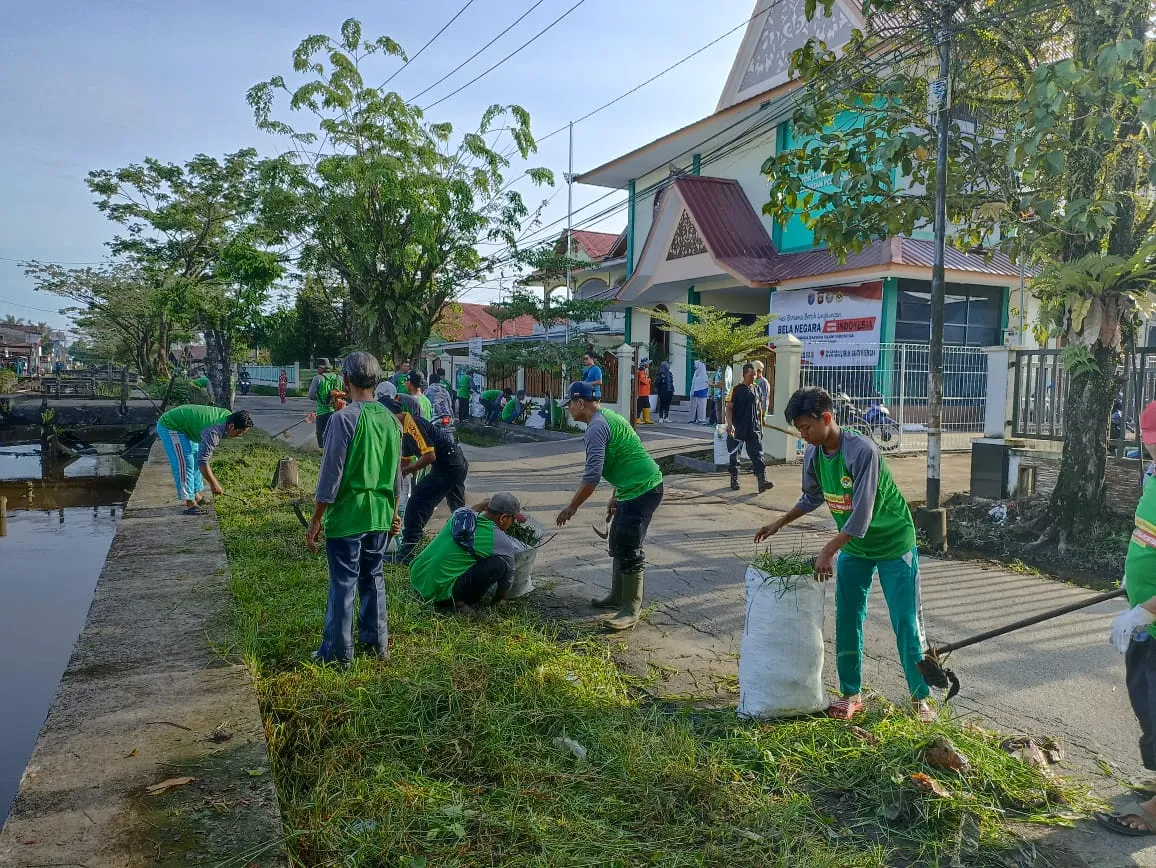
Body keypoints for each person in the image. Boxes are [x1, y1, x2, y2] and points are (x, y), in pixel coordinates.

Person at [754, 387, 933, 722]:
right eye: (799, 429)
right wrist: (779, 522)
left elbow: (861, 515)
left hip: (894, 543)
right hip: (855, 547)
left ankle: (920, 699)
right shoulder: (814, 454)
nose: (802, 435)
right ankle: (851, 693)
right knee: (848, 617)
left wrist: (827, 551)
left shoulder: (862, 451)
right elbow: (811, 498)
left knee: (906, 623)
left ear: (826, 418)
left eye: (806, 427)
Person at [305, 352, 402, 666]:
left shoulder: (342, 418)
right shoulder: (390, 420)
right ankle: (377, 646)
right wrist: (394, 514)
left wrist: (316, 519)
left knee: (343, 583)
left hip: (349, 516)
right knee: (373, 578)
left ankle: (337, 655)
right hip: (379, 515)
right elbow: (396, 477)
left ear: (345, 380)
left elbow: (330, 477)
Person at [556, 382, 664, 631]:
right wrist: (616, 494)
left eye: (570, 405)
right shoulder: (609, 416)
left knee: (629, 545)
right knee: (617, 541)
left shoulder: (596, 427)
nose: (568, 410)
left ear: (580, 403)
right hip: (633, 487)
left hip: (644, 488)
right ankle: (617, 597)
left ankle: (630, 609)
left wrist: (571, 508)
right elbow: (628, 451)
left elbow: (592, 476)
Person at [1098, 403, 1156, 835]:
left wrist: (1146, 608)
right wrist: (1133, 581)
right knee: (1147, 704)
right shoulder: (1154, 477)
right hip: (1146, 624)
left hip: (1151, 618)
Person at [381, 395, 470, 563]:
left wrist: (409, 469)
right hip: (455, 463)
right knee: (458, 510)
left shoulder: (411, 423)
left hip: (449, 465)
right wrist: (396, 477)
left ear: (389, 414)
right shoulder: (401, 431)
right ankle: (465, 547)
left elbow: (429, 456)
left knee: (418, 501)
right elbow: (404, 463)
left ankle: (408, 553)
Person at [409, 493, 523, 613]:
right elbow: (507, 582)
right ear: (503, 518)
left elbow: (470, 510)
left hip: (417, 577)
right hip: (438, 592)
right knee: (500, 564)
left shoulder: (460, 515)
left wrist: (481, 506)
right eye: (513, 519)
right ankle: (455, 604)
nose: (512, 524)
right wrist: (497, 601)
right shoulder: (500, 540)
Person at [156, 404, 253, 514]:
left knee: (195, 458)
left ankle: (196, 496)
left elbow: (200, 459)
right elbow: (203, 461)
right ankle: (190, 502)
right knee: (184, 462)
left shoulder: (229, 417)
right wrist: (213, 484)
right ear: (231, 426)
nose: (239, 435)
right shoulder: (213, 431)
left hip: (186, 427)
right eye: (239, 432)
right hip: (171, 426)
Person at [726, 363, 772, 494]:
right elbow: (729, 408)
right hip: (738, 427)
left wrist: (761, 427)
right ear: (744, 374)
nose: (753, 378)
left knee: (757, 455)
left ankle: (762, 481)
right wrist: (730, 424)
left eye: (754, 375)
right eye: (750, 375)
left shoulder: (756, 389)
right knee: (735, 455)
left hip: (753, 428)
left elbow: (759, 411)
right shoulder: (736, 389)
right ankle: (734, 479)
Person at [308, 358, 345, 448]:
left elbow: (311, 395)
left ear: (321, 368)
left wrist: (321, 398)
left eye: (318, 368)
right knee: (335, 434)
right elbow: (344, 392)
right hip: (337, 411)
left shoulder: (317, 378)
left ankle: (323, 452)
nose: (317, 370)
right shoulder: (339, 378)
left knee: (321, 434)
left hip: (322, 412)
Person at [690, 360, 710, 424]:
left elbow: (706, 385)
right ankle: (694, 419)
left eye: (695, 364)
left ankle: (701, 419)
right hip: (695, 393)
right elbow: (693, 383)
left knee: (702, 407)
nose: (694, 366)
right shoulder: (696, 373)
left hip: (702, 393)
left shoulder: (703, 375)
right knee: (695, 407)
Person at [636, 360, 653, 425]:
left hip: (645, 392)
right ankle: (637, 418)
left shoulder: (644, 371)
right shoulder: (641, 371)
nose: (648, 365)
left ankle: (646, 418)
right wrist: (648, 379)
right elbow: (643, 381)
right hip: (642, 392)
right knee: (640, 405)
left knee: (646, 405)